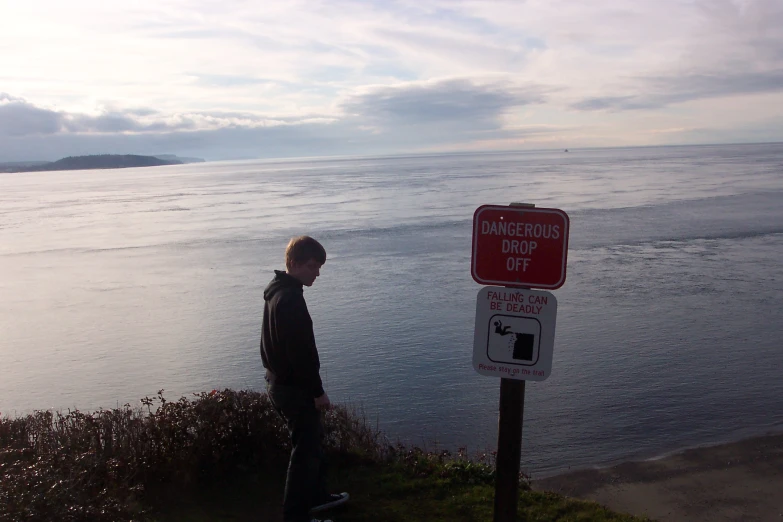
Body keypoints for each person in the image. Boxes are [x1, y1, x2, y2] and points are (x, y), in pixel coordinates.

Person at [260, 236, 349, 522]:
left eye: (319, 267)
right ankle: (296, 515)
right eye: (312, 266)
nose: (317, 273)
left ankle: (317, 496)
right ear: (294, 263)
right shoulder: (289, 300)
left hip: (280, 383)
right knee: (304, 452)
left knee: (313, 443)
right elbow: (300, 355)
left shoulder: (278, 292)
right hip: (293, 388)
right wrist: (317, 392)